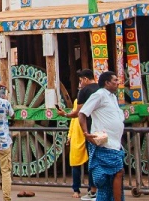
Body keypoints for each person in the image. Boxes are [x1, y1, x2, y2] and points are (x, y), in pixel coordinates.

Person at [82, 72, 124, 201]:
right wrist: (86, 134)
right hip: (105, 143)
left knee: (110, 180)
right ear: (107, 83)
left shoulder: (112, 97)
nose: (118, 82)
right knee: (118, 172)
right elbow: (82, 113)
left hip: (115, 144)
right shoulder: (99, 95)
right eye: (115, 80)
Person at [58, 69, 98, 199]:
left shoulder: (84, 92)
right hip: (86, 131)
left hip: (86, 131)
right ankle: (83, 189)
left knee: (90, 162)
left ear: (85, 79)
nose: (80, 84)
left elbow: (78, 114)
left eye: (81, 81)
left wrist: (65, 114)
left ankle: (91, 190)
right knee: (89, 162)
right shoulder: (101, 91)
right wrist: (70, 135)